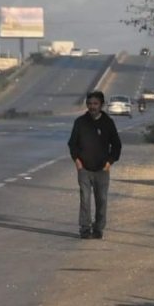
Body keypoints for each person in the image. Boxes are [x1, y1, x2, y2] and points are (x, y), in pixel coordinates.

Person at [68, 90, 122, 239]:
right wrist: (77, 162)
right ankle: (85, 228)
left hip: (102, 170)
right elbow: (72, 144)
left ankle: (98, 228)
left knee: (101, 200)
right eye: (90, 104)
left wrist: (109, 163)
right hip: (84, 168)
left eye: (95, 104)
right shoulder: (80, 122)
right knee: (85, 199)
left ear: (101, 105)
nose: (92, 107)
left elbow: (116, 145)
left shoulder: (108, 123)